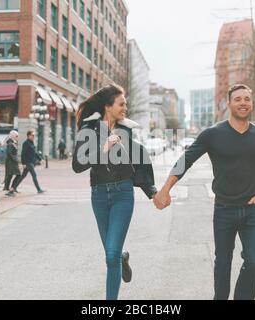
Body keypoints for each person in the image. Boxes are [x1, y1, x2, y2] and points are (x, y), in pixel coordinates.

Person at [153, 84, 255, 300]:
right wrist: (165, 189)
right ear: (228, 104)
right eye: (237, 99)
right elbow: (186, 160)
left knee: (254, 262)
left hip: (252, 211)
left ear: (252, 103)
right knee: (222, 263)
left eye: (247, 99)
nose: (243, 103)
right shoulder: (213, 134)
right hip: (224, 210)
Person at [72, 84, 157, 300]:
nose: (125, 108)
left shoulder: (126, 129)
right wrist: (103, 147)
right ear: (108, 106)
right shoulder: (88, 129)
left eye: (126, 104)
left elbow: (137, 161)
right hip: (99, 195)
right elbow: (78, 164)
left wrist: (153, 191)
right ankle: (123, 256)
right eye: (121, 104)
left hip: (123, 193)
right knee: (113, 254)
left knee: (110, 256)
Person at [3, 131, 22, 197]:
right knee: (19, 175)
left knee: (10, 175)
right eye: (17, 136)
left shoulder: (12, 142)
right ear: (13, 136)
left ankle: (10, 189)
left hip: (12, 162)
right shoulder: (10, 143)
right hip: (11, 162)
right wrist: (16, 160)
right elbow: (10, 153)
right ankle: (11, 189)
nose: (18, 137)